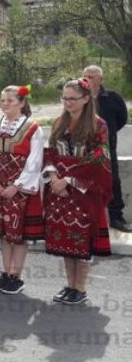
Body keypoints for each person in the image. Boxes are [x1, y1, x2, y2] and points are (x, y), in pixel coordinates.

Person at [43, 78, 112, 305]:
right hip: (60, 191)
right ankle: (69, 285)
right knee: (65, 239)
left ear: (85, 99)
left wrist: (69, 179)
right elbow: (51, 153)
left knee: (81, 238)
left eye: (72, 99)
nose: (67, 102)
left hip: (83, 191)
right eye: (64, 98)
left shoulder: (98, 125)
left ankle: (80, 288)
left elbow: (99, 157)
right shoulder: (58, 123)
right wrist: (54, 178)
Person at [0, 86, 45, 295]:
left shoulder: (33, 128)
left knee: (18, 233)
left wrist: (16, 186)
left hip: (19, 189)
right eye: (2, 100)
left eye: (10, 100)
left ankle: (16, 275)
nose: (5, 103)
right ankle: (6, 270)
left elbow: (35, 162)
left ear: (21, 102)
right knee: (3, 231)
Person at [82, 65, 130, 232]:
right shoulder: (80, 97)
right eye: (85, 76)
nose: (87, 79)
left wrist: (109, 135)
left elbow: (122, 118)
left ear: (100, 79)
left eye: (92, 77)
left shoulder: (112, 97)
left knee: (113, 181)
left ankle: (116, 217)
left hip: (108, 148)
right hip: (84, 150)